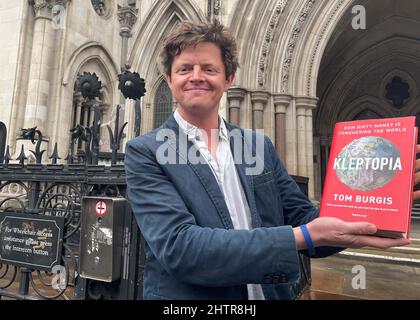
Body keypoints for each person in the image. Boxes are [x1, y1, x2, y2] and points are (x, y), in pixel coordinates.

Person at [125, 20, 419, 300]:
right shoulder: (146, 152)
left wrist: (375, 207)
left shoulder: (257, 146)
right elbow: (181, 249)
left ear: (229, 78)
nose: (196, 76)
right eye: (185, 68)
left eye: (209, 68)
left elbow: (301, 216)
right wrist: (302, 236)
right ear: (170, 79)